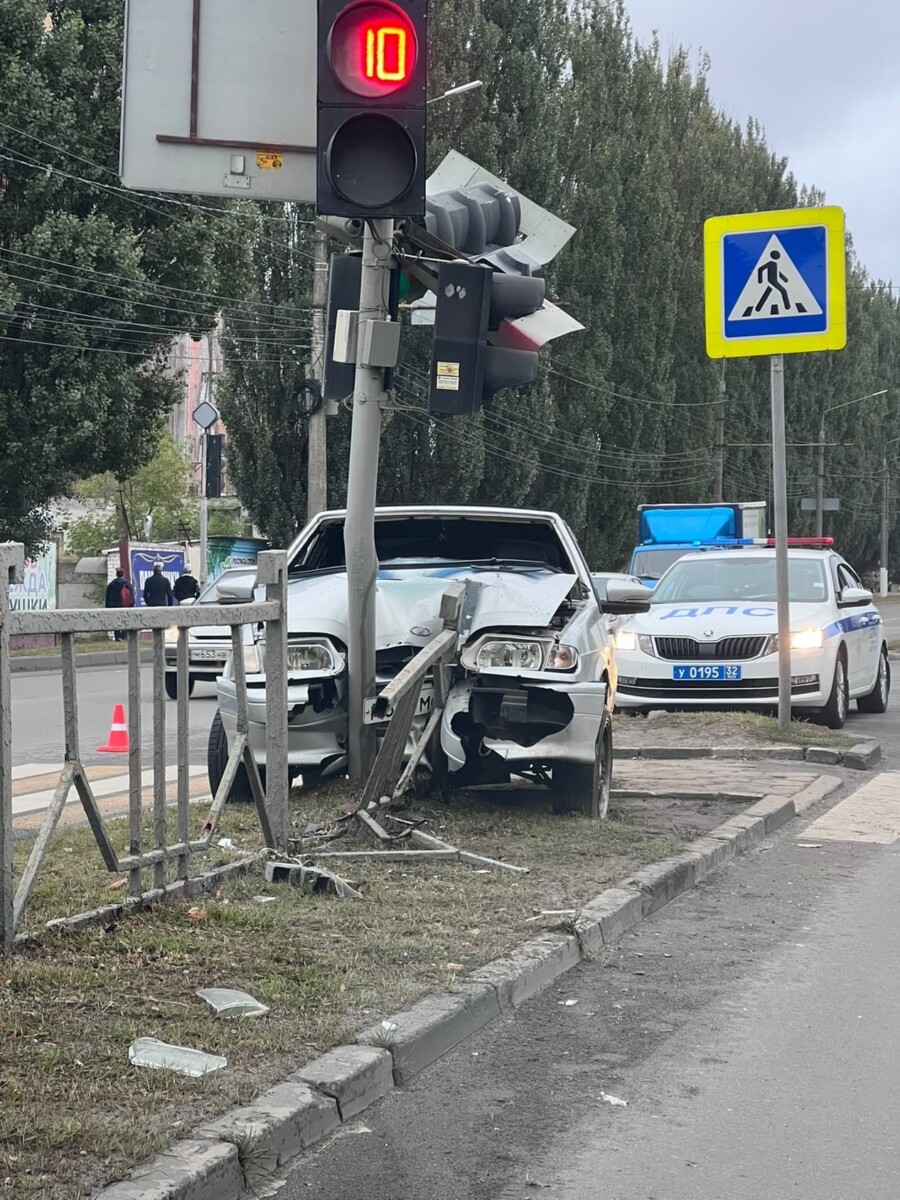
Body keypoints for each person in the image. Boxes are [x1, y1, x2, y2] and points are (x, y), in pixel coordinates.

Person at [104, 568, 134, 640]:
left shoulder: (111, 584)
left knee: (116, 621)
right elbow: (132, 594)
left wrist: (107, 607)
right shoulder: (127, 583)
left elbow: (107, 596)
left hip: (113, 606)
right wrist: (132, 605)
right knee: (125, 620)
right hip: (125, 605)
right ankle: (123, 636)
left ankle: (117, 636)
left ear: (116, 575)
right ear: (123, 574)